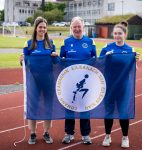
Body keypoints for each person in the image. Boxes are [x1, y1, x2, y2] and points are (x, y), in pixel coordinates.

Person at [100, 21, 140, 148]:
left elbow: (134, 69)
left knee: (123, 112)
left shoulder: (130, 50)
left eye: (120, 33)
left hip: (123, 87)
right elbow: (99, 65)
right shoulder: (106, 47)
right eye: (115, 33)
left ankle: (125, 137)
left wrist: (135, 61)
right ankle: (107, 136)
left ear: (125, 34)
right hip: (109, 86)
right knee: (108, 112)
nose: (117, 36)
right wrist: (104, 58)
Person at [20, 16, 58, 145]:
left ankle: (46, 132)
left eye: (44, 27)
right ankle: (32, 133)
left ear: (46, 29)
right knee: (33, 106)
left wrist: (55, 57)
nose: (42, 29)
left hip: (48, 79)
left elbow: (55, 63)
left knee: (48, 106)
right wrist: (21, 60)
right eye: (40, 26)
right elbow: (24, 63)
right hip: (33, 80)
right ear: (36, 28)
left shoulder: (51, 43)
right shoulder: (29, 43)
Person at [60, 16, 97, 145]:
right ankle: (68, 133)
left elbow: (96, 61)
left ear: (83, 27)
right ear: (71, 27)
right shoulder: (65, 42)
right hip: (70, 83)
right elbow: (60, 61)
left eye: (79, 26)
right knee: (69, 107)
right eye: (74, 26)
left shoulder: (90, 42)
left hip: (86, 82)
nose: (77, 29)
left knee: (85, 107)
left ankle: (85, 134)